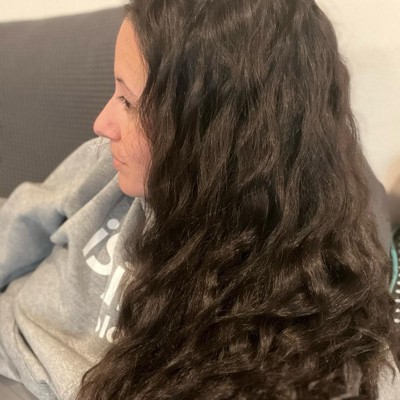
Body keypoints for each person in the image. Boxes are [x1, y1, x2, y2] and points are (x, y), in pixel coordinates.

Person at [0, 0, 399, 399]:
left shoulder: (305, 320)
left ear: (214, 136)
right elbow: (15, 227)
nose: (102, 124)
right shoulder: (106, 166)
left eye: (128, 101)